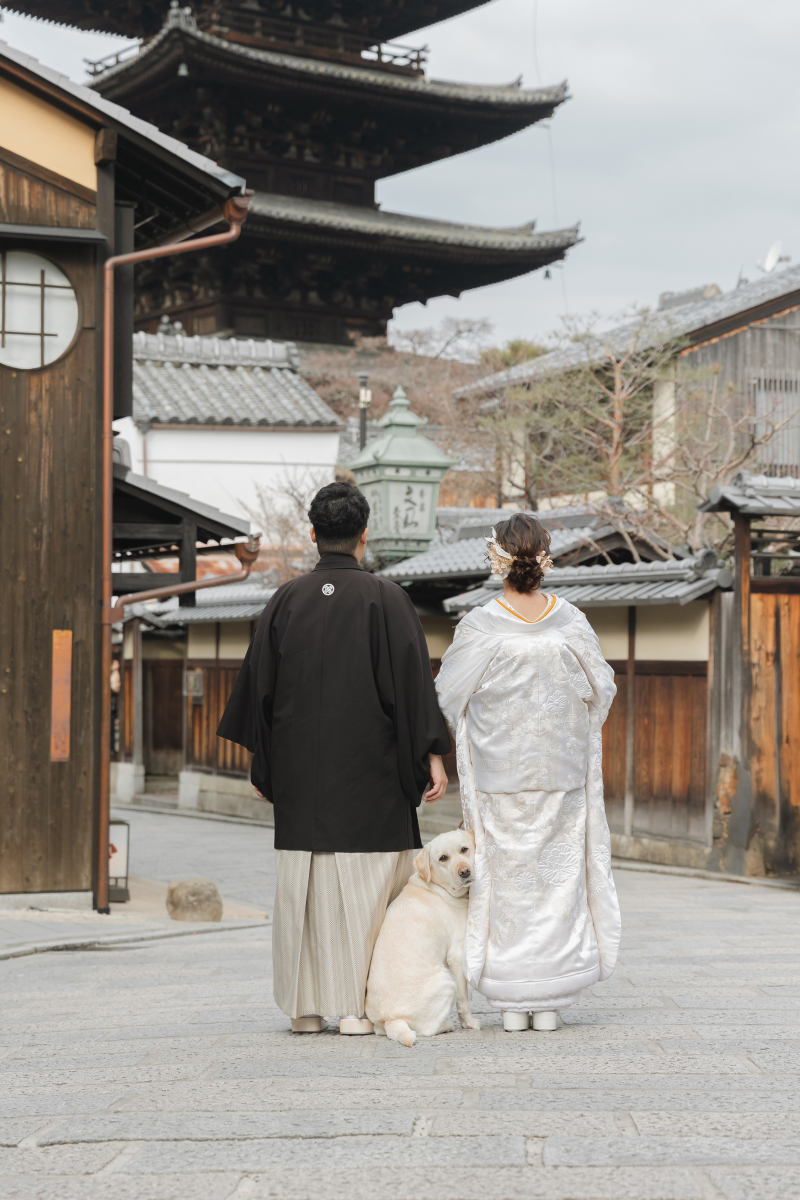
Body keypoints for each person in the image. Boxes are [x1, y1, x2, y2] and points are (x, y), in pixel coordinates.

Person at [217, 482, 451, 1035]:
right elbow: (413, 686)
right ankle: (355, 1008)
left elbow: (259, 689)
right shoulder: (387, 599)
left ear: (312, 534)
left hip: (302, 780)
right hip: (372, 779)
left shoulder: (286, 600)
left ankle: (304, 1009)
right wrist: (433, 754)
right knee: (367, 897)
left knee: (304, 896)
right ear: (364, 535)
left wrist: (264, 764)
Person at [434, 513, 620, 1032]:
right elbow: (601, 691)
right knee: (559, 882)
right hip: (561, 774)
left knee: (507, 882)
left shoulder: (480, 624)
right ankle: (552, 999)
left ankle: (512, 999)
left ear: (496, 560)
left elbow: (448, 695)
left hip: (500, 779)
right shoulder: (570, 621)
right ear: (544, 558)